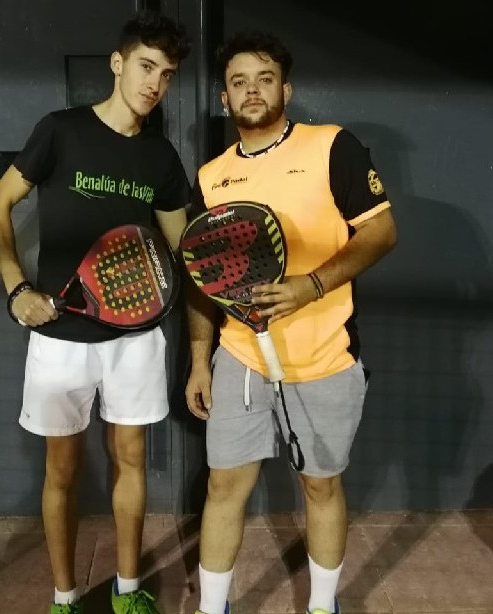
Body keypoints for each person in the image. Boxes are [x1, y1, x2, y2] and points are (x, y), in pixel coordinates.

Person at [0, 10, 191, 614]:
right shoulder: (60, 130)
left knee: (131, 461)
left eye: (167, 74)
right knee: (62, 471)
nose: (155, 83)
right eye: (146, 66)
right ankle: (65, 597)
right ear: (118, 63)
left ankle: (126, 592)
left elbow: (182, 248)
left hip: (136, 338)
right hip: (60, 335)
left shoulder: (161, 158)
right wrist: (17, 289)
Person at [185, 31, 397, 614]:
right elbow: (201, 279)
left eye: (265, 78)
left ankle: (322, 607)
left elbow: (381, 232)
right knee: (223, 486)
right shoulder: (211, 176)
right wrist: (200, 360)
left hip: (324, 355)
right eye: (238, 82)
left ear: (286, 88)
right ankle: (212, 609)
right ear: (224, 99)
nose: (252, 90)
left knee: (321, 486)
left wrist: (312, 285)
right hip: (241, 358)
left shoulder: (332, 147)